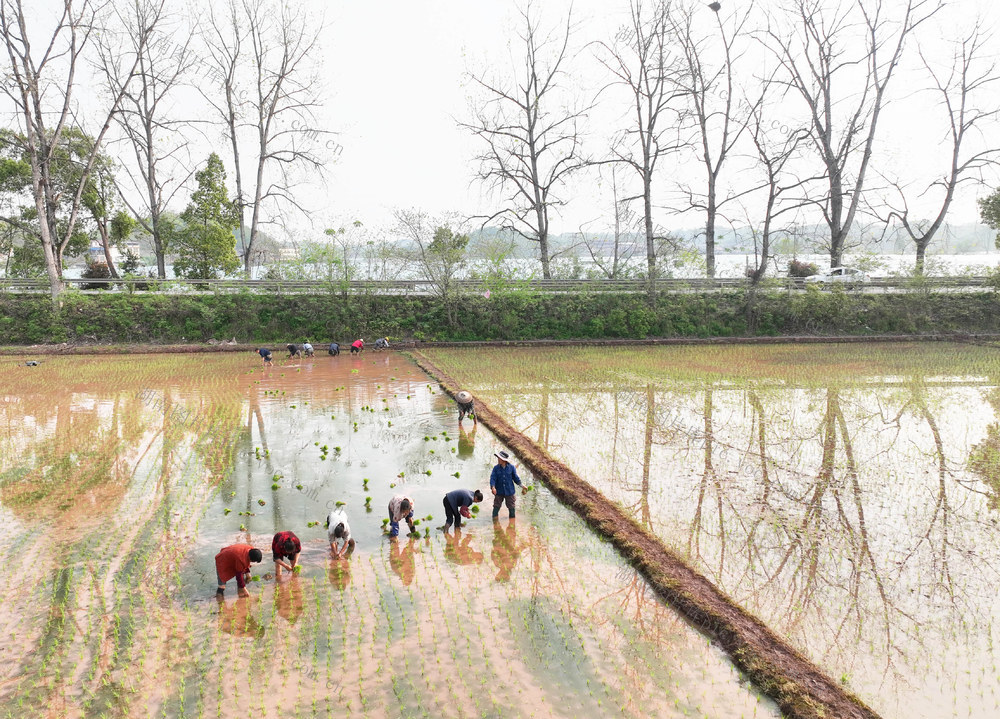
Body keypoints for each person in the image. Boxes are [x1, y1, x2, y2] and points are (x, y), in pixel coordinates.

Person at [490, 450, 525, 519]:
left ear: (504, 460)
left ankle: (512, 522)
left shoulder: (512, 468)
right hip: (499, 491)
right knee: (496, 506)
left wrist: (522, 485)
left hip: (509, 491)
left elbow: (516, 478)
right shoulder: (496, 468)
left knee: (511, 507)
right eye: (498, 458)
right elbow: (493, 478)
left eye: (499, 458)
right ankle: (495, 522)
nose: (498, 459)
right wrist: (493, 487)